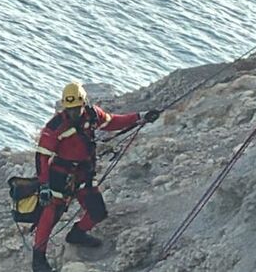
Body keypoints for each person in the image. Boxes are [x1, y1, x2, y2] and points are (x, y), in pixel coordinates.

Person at [31, 82, 160, 272]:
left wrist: (140, 117)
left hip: (83, 172)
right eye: (70, 109)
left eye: (76, 109)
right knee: (49, 216)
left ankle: (77, 234)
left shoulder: (92, 115)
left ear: (83, 103)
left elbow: (113, 121)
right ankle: (38, 258)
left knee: (97, 211)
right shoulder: (56, 126)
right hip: (60, 174)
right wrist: (44, 185)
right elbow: (42, 156)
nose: (73, 113)